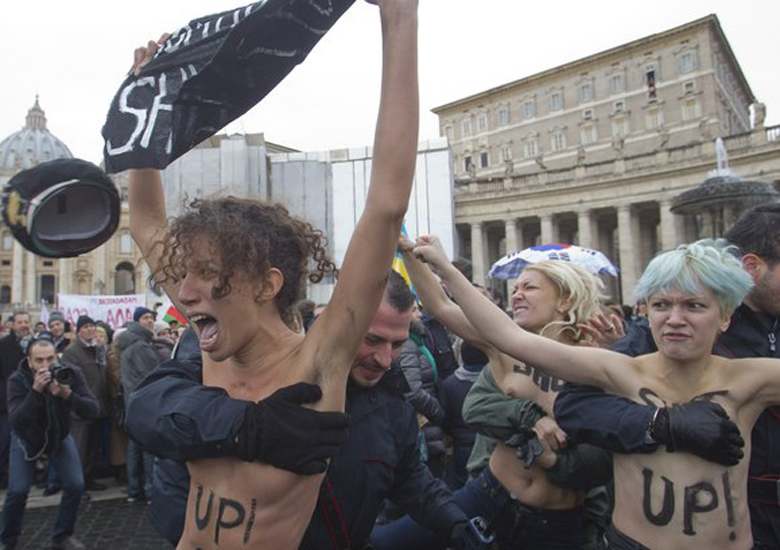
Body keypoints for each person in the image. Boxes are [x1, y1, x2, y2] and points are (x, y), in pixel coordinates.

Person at [125, 2, 419, 547]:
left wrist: (400, 21)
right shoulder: (211, 325)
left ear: (267, 285)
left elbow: (385, 202)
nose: (183, 294)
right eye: (184, 275)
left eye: (207, 274)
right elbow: (146, 222)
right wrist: (148, 99)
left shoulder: (320, 361)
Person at [415, 234, 780, 549]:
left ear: (726, 316)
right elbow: (508, 336)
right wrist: (445, 269)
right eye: (661, 305)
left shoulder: (752, 378)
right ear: (648, 312)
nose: (675, 319)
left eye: (694, 306)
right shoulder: (618, 370)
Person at [126, 273, 468, 548]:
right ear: (338, 325)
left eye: (397, 344)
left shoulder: (393, 401)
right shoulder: (245, 353)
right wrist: (246, 424)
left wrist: (456, 522)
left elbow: (409, 477)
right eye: (373, 340)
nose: (384, 359)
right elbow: (147, 408)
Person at [553, 203, 780, 548]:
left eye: (693, 306)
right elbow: (576, 404)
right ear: (753, 268)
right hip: (712, 515)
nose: (678, 315)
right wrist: (660, 422)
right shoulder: (668, 332)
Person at [373, 239, 612, 549]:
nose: (516, 293)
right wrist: (411, 254)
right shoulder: (507, 347)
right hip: (487, 495)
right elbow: (442, 306)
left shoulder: (599, 362)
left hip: (555, 524)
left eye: (530, 287)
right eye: (516, 287)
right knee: (382, 543)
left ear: (565, 300)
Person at [0, 336, 99, 550]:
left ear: (57, 357)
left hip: (59, 436)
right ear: (29, 362)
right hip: (26, 440)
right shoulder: (17, 380)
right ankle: (8, 540)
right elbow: (16, 421)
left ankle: (63, 535)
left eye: (50, 359)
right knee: (17, 491)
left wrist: (68, 395)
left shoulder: (69, 374)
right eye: (39, 361)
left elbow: (93, 409)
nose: (46, 366)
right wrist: (35, 391)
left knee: (75, 484)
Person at [116, 307, 163, 502]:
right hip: (145, 402)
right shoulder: (141, 346)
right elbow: (152, 376)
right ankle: (152, 490)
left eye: (152, 318)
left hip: (132, 401)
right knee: (148, 448)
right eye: (146, 318)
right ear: (137, 321)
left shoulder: (130, 343)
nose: (150, 321)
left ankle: (134, 490)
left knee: (134, 446)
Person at [62, 316, 108, 492]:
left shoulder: (97, 349)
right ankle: (76, 486)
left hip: (97, 406)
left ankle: (88, 479)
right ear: (79, 330)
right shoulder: (71, 352)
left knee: (92, 448)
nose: (90, 329)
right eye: (86, 327)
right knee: (79, 449)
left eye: (92, 326)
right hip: (80, 408)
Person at [0, 312, 31, 489]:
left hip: (29, 401)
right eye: (20, 322)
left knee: (25, 441)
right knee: (5, 441)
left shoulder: (34, 345)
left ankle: (21, 475)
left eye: (26, 322)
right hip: (6, 402)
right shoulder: (3, 345)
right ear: (13, 325)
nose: (23, 325)